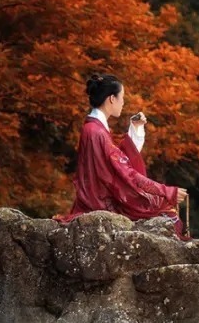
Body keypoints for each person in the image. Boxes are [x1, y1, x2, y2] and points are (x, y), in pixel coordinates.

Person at [57, 73, 188, 237]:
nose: (123, 102)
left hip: (97, 198)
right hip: (100, 202)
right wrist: (166, 191)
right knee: (167, 213)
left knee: (163, 209)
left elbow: (116, 161)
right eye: (122, 97)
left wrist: (135, 128)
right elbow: (125, 172)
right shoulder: (96, 131)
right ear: (112, 99)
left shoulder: (94, 128)